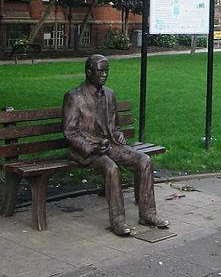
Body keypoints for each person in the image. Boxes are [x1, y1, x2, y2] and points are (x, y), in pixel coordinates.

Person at [62, 53, 169, 236]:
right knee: (111, 169)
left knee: (144, 160)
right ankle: (118, 221)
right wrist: (91, 146)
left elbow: (114, 124)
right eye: (100, 71)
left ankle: (148, 214)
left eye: (107, 71)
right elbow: (70, 132)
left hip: (110, 145)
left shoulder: (109, 94)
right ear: (88, 72)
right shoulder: (75, 97)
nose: (104, 75)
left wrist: (118, 134)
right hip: (87, 150)